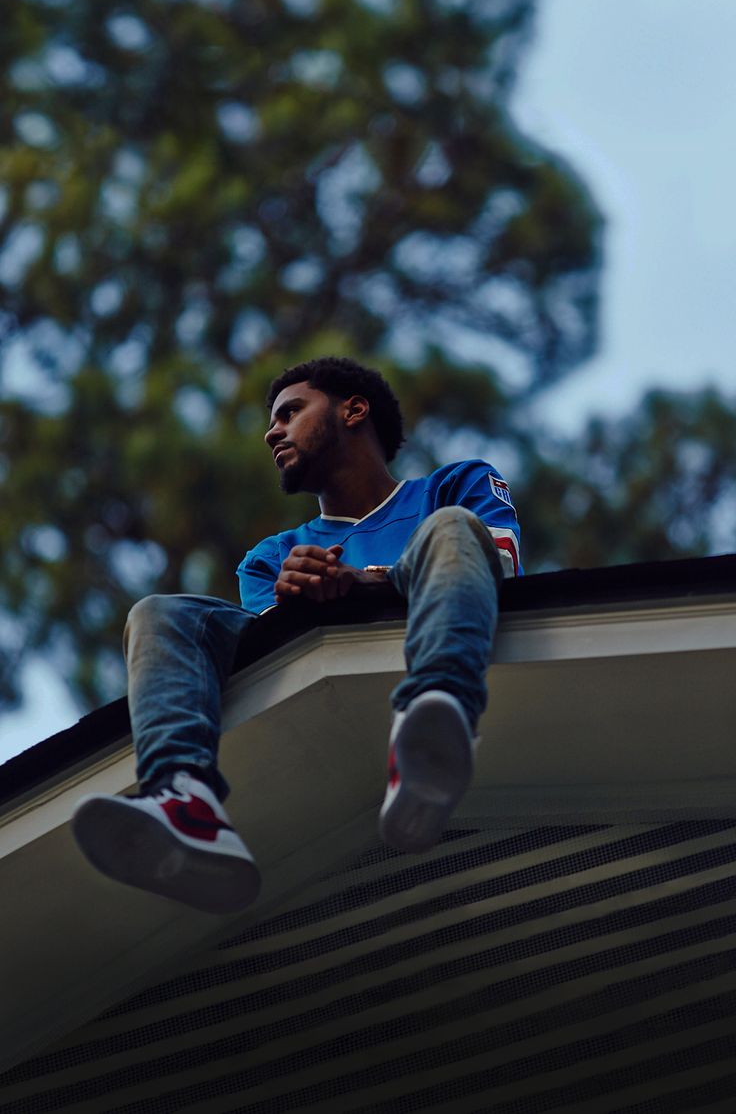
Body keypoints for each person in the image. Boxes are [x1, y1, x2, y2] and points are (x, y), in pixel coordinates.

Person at [72, 356, 522, 914]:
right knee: (160, 612)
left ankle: (433, 723)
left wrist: (362, 580)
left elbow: (498, 562)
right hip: (315, 650)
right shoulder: (270, 559)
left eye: (290, 413)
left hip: (440, 631)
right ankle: (185, 801)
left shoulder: (455, 485)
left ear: (353, 410)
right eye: (272, 420)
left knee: (453, 527)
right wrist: (293, 604)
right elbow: (276, 659)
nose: (271, 432)